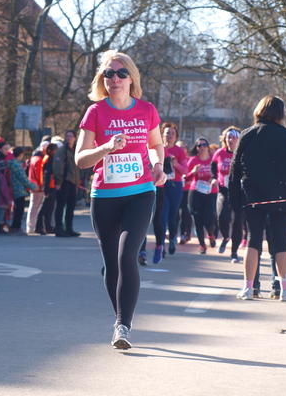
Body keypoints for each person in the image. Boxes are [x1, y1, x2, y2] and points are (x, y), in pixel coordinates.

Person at [75, 50, 165, 350]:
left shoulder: (147, 110)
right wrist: (106, 148)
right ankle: (120, 317)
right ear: (103, 80)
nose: (115, 78)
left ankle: (122, 325)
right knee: (111, 265)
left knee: (128, 256)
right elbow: (80, 159)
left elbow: (155, 144)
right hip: (105, 196)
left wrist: (158, 165)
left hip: (140, 193)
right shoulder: (95, 112)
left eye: (121, 73)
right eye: (109, 74)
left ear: (131, 78)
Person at [230, 96, 286, 301]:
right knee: (281, 244)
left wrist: (235, 200)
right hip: (281, 196)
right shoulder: (285, 135)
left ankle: (248, 287)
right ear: (280, 113)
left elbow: (235, 170)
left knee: (253, 241)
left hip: (253, 196)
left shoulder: (247, 134)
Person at [213, 127, 244, 262]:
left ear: (239, 140)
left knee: (238, 222)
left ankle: (234, 253)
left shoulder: (242, 153)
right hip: (223, 190)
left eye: (233, 138)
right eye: (228, 138)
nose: (230, 140)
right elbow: (213, 167)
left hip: (239, 193)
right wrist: (214, 178)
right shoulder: (220, 153)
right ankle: (225, 237)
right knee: (221, 217)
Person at [160, 122, 188, 255]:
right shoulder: (158, 149)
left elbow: (185, 170)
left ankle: (172, 239)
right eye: (167, 133)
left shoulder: (179, 151)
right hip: (161, 185)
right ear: (162, 135)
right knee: (162, 215)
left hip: (175, 186)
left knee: (173, 215)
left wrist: (175, 163)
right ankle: (161, 244)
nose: (169, 136)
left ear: (176, 136)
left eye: (172, 133)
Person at [186, 137, 217, 254]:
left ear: (208, 147)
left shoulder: (213, 159)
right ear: (197, 148)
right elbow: (186, 178)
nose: (202, 147)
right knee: (197, 218)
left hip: (210, 192)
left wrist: (214, 179)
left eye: (204, 145)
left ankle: (210, 233)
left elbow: (218, 174)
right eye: (199, 145)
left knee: (209, 217)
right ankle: (202, 245)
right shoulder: (193, 160)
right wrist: (193, 172)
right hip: (196, 192)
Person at [54, 130, 81, 237]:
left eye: (71, 136)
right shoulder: (62, 150)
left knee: (71, 207)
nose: (69, 138)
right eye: (67, 136)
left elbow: (77, 168)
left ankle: (69, 229)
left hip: (73, 182)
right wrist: (58, 181)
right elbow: (58, 167)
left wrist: (77, 182)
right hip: (64, 181)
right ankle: (59, 229)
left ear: (75, 138)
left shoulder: (75, 150)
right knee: (60, 206)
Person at [8, 147, 37, 234]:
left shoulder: (11, 163)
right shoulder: (16, 165)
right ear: (21, 155)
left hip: (14, 188)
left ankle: (15, 226)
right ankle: (16, 227)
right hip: (18, 190)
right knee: (19, 210)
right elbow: (23, 178)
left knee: (17, 209)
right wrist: (33, 186)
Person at [36, 143, 58, 234]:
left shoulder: (49, 158)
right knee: (44, 208)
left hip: (51, 186)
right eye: (55, 150)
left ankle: (48, 227)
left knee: (50, 208)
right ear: (50, 151)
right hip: (49, 187)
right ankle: (38, 227)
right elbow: (47, 175)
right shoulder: (49, 160)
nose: (57, 151)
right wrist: (46, 189)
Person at [26, 142, 47, 234]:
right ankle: (32, 227)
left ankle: (30, 227)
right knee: (35, 207)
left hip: (33, 185)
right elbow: (39, 175)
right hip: (38, 186)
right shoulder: (39, 160)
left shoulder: (34, 158)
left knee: (33, 206)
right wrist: (42, 185)